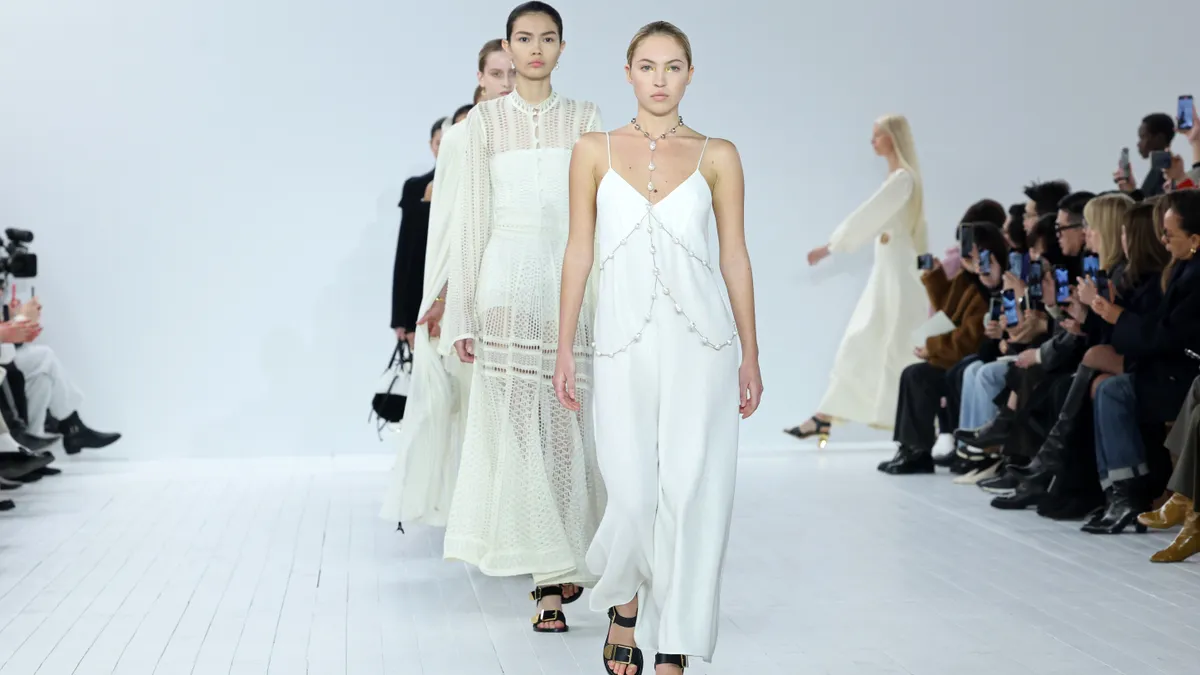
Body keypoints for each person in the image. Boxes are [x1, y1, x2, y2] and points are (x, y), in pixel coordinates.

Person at [554, 21, 761, 675]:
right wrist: (565, 346)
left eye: (674, 67)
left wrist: (751, 352)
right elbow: (578, 250)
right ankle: (624, 603)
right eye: (648, 66)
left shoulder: (718, 154)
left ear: (691, 74)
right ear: (627, 74)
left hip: (701, 342)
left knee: (690, 488)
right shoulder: (592, 149)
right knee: (634, 491)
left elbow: (734, 255)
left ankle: (673, 636)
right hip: (619, 342)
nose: (661, 79)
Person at [439, 1, 606, 634]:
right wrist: (463, 312)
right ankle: (546, 579)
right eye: (524, 38)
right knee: (518, 429)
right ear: (508, 47)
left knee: (567, 425)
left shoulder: (586, 118)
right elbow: (471, 219)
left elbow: (598, 211)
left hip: (570, 283)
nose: (535, 49)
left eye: (547, 38)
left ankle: (567, 555)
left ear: (563, 47)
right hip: (504, 278)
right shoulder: (482, 123)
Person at [379, 37, 512, 531]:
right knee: (467, 409)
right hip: (462, 297)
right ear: (480, 79)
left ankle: (503, 517)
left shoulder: (533, 138)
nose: (505, 84)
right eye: (497, 74)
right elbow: (431, 245)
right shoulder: (456, 151)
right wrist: (425, 304)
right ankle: (478, 515)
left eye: (512, 73)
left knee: (505, 413)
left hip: (517, 289)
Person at [787, 114, 929, 446]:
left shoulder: (902, 181)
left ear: (892, 139)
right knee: (864, 342)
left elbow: (867, 217)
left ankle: (916, 431)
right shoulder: (898, 179)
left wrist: (831, 247)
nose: (872, 141)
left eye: (877, 135)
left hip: (898, 276)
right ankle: (824, 416)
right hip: (889, 273)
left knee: (898, 348)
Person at [390, 116, 445, 347]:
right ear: (431, 145)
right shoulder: (415, 188)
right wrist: (401, 319)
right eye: (439, 142)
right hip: (423, 297)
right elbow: (406, 255)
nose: (444, 148)